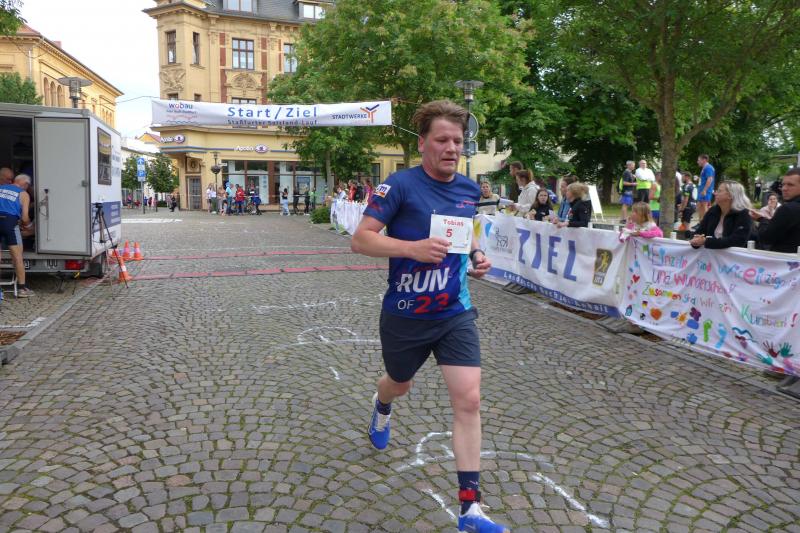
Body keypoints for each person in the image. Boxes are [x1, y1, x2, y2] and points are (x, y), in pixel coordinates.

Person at [351, 100, 509, 533]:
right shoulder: (399, 186)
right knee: (399, 383)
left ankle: (470, 509)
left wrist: (476, 254)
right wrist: (411, 248)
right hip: (406, 313)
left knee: (469, 400)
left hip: (454, 311)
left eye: (457, 141)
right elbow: (361, 240)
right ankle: (382, 403)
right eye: (442, 140)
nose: (451, 148)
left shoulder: (468, 189)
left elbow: (464, 230)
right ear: (422, 143)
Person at [689, 180, 752, 249]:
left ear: (730, 195)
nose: (715, 193)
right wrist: (695, 240)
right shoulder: (712, 211)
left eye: (719, 191)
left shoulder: (744, 214)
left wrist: (706, 242)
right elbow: (700, 231)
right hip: (712, 255)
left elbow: (738, 241)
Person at [750, 168, 800, 253]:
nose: (784, 188)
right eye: (783, 184)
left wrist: (762, 220)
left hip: (785, 258)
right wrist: (761, 218)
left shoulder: (788, 209)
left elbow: (766, 238)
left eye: (790, 185)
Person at [0, 174, 34, 298]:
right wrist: (30, 227)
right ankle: (22, 289)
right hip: (9, 223)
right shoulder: (23, 194)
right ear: (25, 184)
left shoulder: (1, 188)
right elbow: (24, 218)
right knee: (17, 257)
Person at [697, 154, 715, 220]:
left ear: (704, 160)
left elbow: (710, 179)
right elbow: (705, 179)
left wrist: (705, 190)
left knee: (704, 206)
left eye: (699, 160)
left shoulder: (708, 168)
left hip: (705, 191)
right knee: (700, 206)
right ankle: (701, 222)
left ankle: (705, 223)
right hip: (702, 190)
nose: (697, 162)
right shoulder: (705, 168)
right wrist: (698, 178)